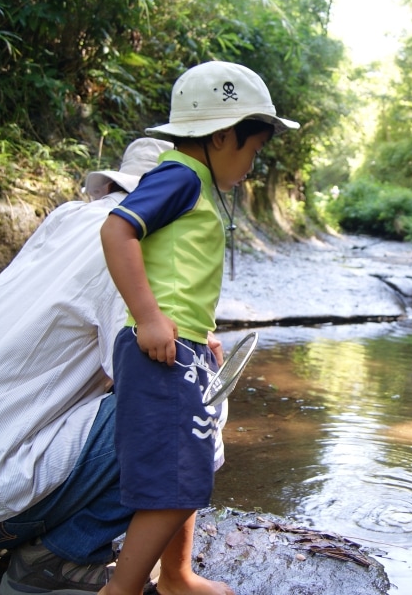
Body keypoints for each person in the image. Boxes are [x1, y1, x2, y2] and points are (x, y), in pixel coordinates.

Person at [0, 137, 210, 595]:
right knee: (197, 397)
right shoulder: (138, 251)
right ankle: (57, 557)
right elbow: (163, 393)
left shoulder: (66, 220)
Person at [97, 61, 298, 595]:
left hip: (178, 344)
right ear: (222, 135)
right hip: (158, 350)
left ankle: (178, 577)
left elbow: (177, 273)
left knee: (189, 465)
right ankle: (121, 589)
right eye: (252, 150)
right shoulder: (181, 175)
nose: (253, 166)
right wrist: (149, 318)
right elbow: (118, 232)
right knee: (177, 480)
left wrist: (191, 329)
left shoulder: (196, 181)